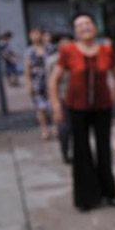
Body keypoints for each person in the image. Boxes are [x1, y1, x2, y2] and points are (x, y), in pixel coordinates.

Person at [49, 13, 115, 212]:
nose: (85, 27)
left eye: (88, 23)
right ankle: (86, 198)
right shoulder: (68, 51)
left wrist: (114, 97)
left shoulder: (107, 51)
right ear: (75, 31)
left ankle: (110, 193)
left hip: (102, 109)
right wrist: (56, 106)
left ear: (95, 26)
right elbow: (54, 80)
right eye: (80, 25)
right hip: (76, 108)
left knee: (103, 150)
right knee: (81, 151)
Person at [23, 27, 55, 140]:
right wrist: (28, 85)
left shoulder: (50, 48)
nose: (35, 36)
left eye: (37, 33)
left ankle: (56, 128)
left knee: (53, 106)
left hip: (50, 80)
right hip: (37, 82)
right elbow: (26, 70)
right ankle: (44, 129)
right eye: (32, 33)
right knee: (40, 108)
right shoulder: (29, 51)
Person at [47, 34, 73, 163]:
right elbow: (50, 82)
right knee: (64, 129)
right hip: (61, 98)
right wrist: (54, 103)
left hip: (77, 99)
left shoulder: (76, 58)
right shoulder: (53, 61)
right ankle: (65, 153)